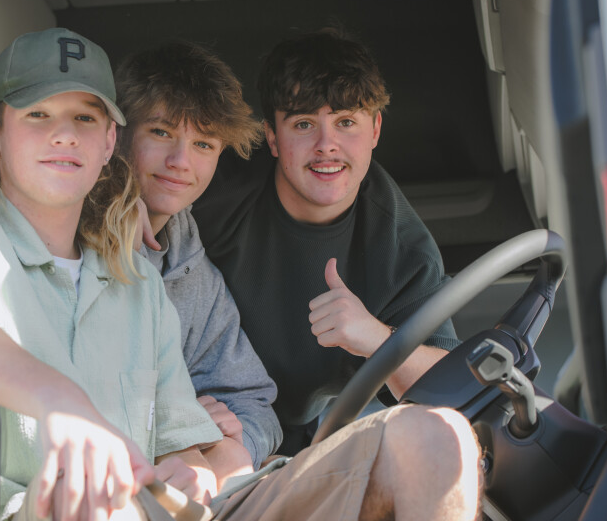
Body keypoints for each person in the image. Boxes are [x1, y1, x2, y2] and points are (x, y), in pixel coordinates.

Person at [0, 27, 484, 521]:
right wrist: (65, 408)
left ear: (108, 141)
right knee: (108, 513)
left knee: (436, 441)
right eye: (38, 115)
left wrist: (200, 468)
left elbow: (184, 440)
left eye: (85, 119)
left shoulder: (140, 279)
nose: (64, 136)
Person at [191, 27, 463, 454]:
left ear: (375, 129)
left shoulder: (401, 247)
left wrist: (378, 339)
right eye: (303, 124)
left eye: (345, 122)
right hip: (186, 412)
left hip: (293, 441)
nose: (326, 146)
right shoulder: (213, 192)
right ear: (272, 137)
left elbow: (454, 390)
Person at [115, 41, 281, 481]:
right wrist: (185, 423)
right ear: (118, 134)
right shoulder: (68, 238)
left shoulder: (193, 270)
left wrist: (235, 441)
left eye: (204, 144)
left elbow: (254, 403)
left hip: (182, 483)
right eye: (161, 133)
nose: (180, 162)